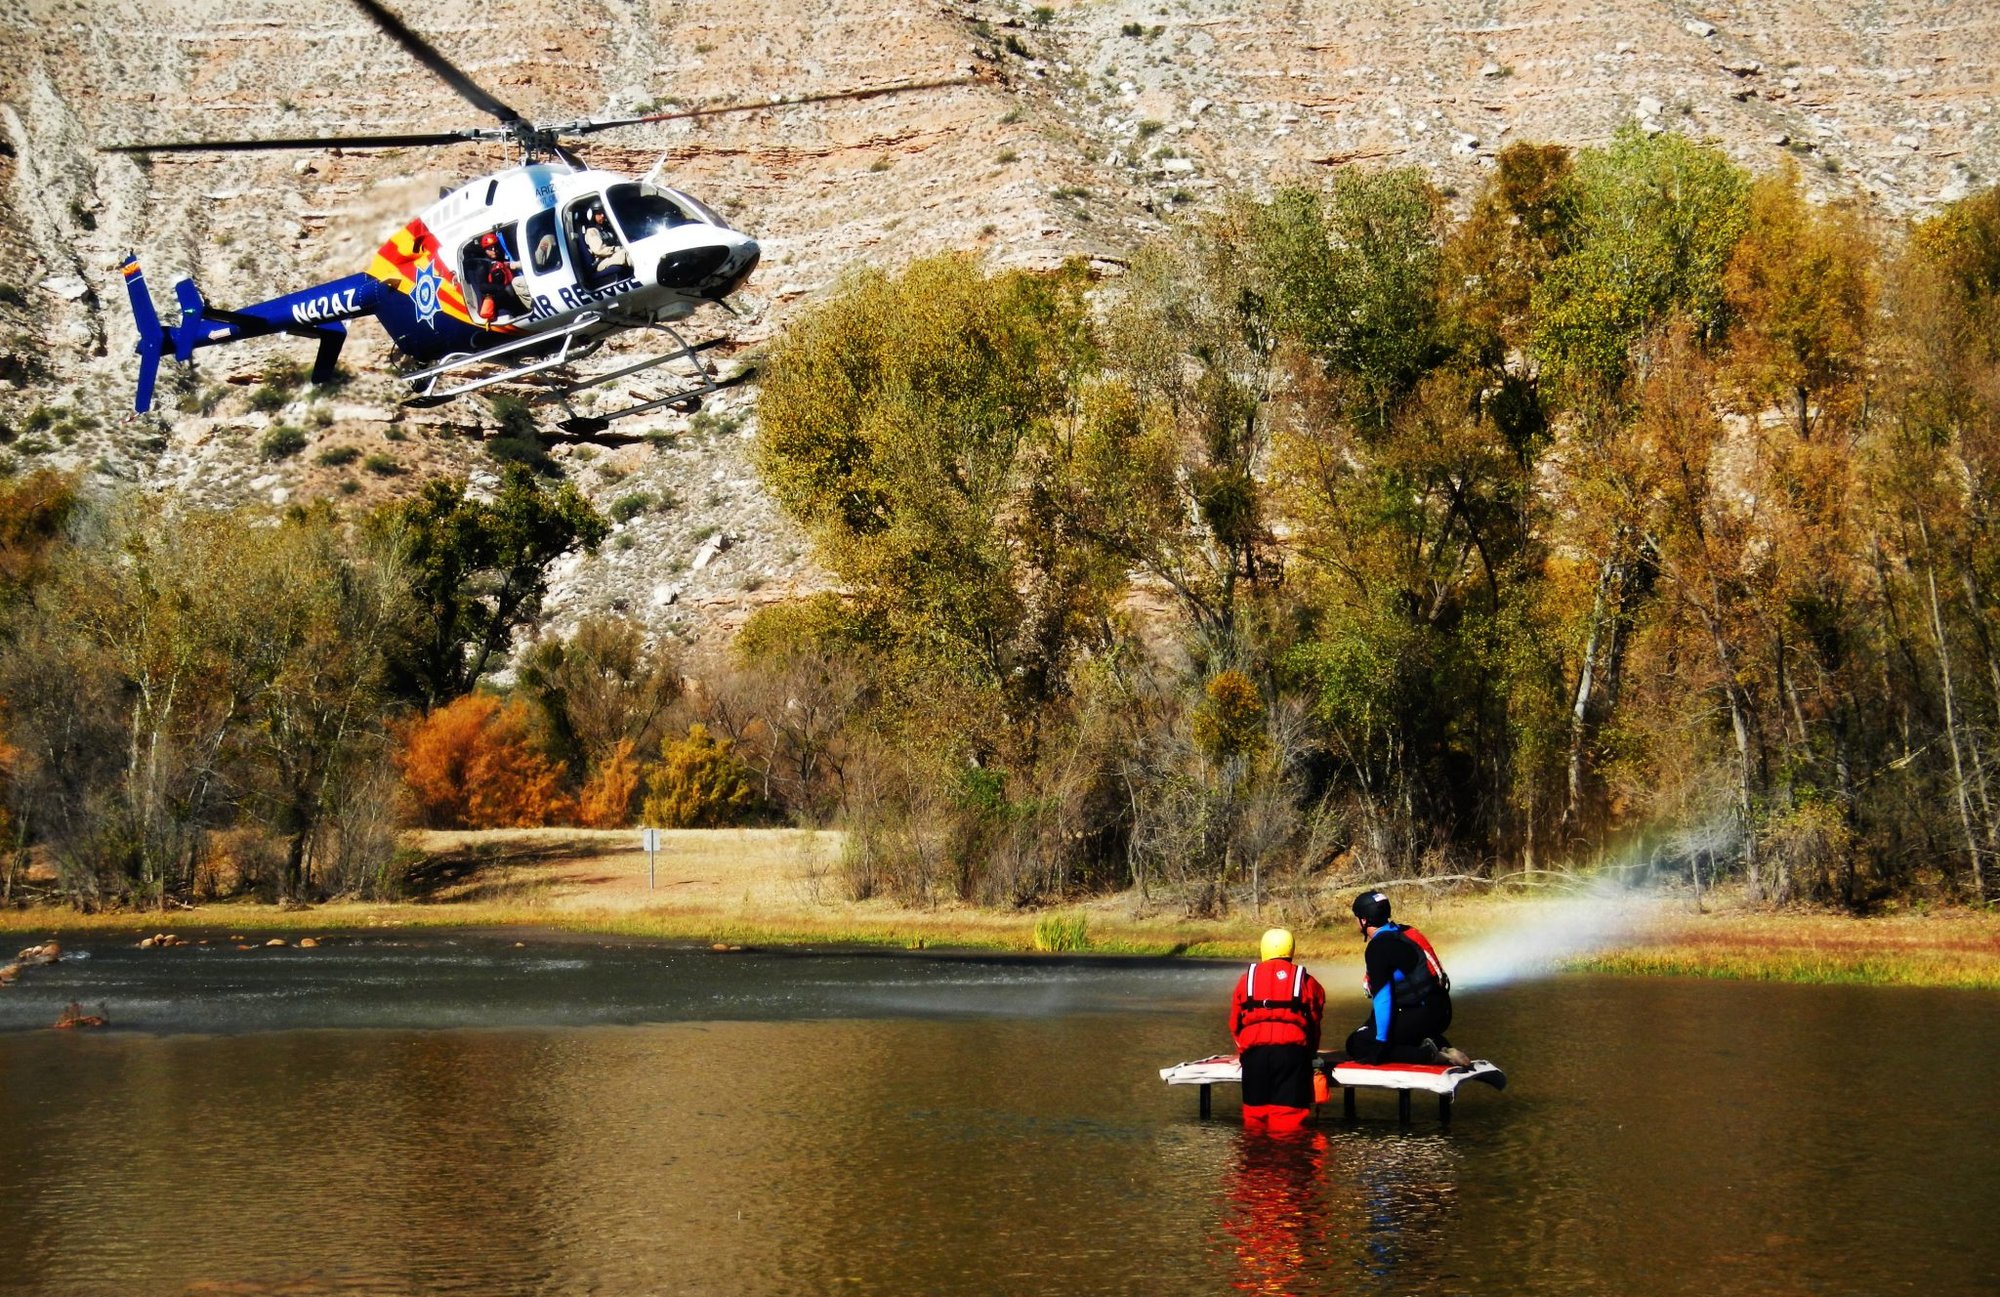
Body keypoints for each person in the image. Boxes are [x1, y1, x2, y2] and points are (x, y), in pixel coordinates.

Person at [1344, 890, 1471, 1067]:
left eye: (1356, 917)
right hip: (1442, 1011)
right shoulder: (1407, 932)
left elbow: (1383, 998)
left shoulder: (1379, 947)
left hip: (1420, 1014)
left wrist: (1381, 1042)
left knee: (1358, 1043)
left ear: (1364, 920)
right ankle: (1442, 1045)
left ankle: (1428, 1055)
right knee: (1380, 1027)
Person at [1228, 927, 1327, 1134]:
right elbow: (1314, 1021)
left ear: (1263, 949)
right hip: (1291, 1055)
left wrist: (1243, 1051)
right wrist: (1311, 1053)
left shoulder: (1246, 981)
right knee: (1289, 1121)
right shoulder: (1306, 981)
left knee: (1254, 1118)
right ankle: (1290, 1161)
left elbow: (1235, 1024)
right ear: (1290, 950)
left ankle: (1256, 1161)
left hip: (1254, 1057)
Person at [580, 203, 630, 281]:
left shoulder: (605, 229)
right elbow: (599, 250)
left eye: (603, 213)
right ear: (592, 216)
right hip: (601, 261)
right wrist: (616, 249)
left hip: (610, 256)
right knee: (625, 254)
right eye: (599, 213)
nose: (602, 215)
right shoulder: (591, 231)